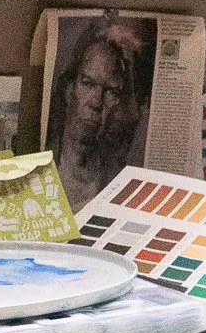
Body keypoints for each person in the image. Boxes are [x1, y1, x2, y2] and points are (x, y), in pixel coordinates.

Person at [50, 15, 153, 210]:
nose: (96, 103)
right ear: (68, 89)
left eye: (111, 92)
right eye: (87, 84)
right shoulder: (46, 163)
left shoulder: (114, 177)